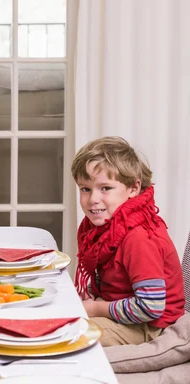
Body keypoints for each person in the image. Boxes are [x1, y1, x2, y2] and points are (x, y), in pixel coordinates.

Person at [71, 136, 184, 347]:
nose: (93, 198)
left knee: (70, 335)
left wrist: (96, 308)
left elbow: (150, 307)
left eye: (105, 188)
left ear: (133, 188)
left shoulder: (138, 237)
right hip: (121, 311)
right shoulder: (104, 228)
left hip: (151, 325)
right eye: (85, 189)